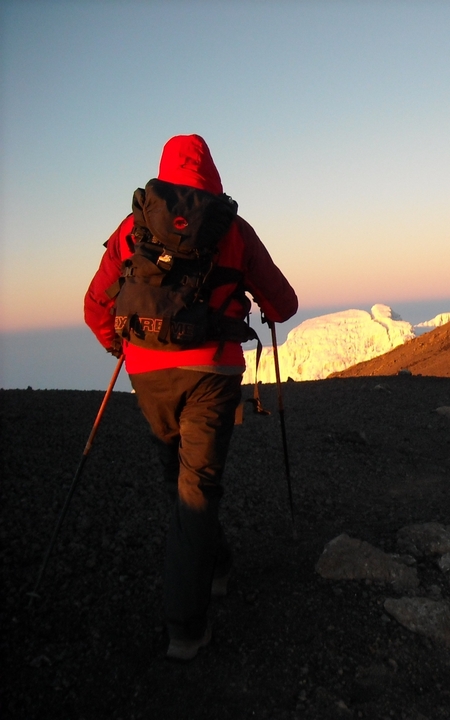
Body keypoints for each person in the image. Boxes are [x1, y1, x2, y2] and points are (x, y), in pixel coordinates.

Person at [84, 135, 298, 661]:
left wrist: (120, 343)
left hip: (148, 370)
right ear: (212, 172)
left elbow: (96, 304)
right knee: (197, 486)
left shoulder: (133, 226)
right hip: (211, 371)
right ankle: (185, 627)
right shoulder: (233, 229)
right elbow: (284, 304)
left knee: (180, 482)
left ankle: (215, 566)